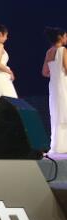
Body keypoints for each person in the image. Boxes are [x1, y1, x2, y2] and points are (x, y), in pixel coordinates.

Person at [42, 26, 67, 154]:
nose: (66, 38)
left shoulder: (49, 52)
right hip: (63, 84)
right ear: (60, 37)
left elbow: (44, 72)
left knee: (57, 113)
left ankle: (58, 145)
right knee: (64, 111)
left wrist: (55, 74)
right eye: (65, 36)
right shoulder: (63, 50)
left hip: (54, 85)